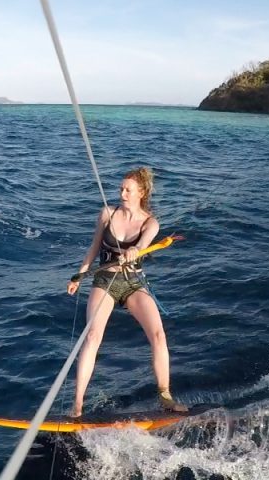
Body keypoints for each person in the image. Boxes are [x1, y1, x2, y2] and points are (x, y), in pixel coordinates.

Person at [65, 167, 187, 418]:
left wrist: (135, 251)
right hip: (105, 282)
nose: (122, 193)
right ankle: (77, 406)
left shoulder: (150, 223)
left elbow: (144, 244)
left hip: (133, 283)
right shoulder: (108, 214)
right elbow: (93, 247)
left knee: (157, 333)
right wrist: (79, 275)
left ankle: (165, 396)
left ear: (141, 193)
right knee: (93, 337)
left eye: (127, 190)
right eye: (121, 188)